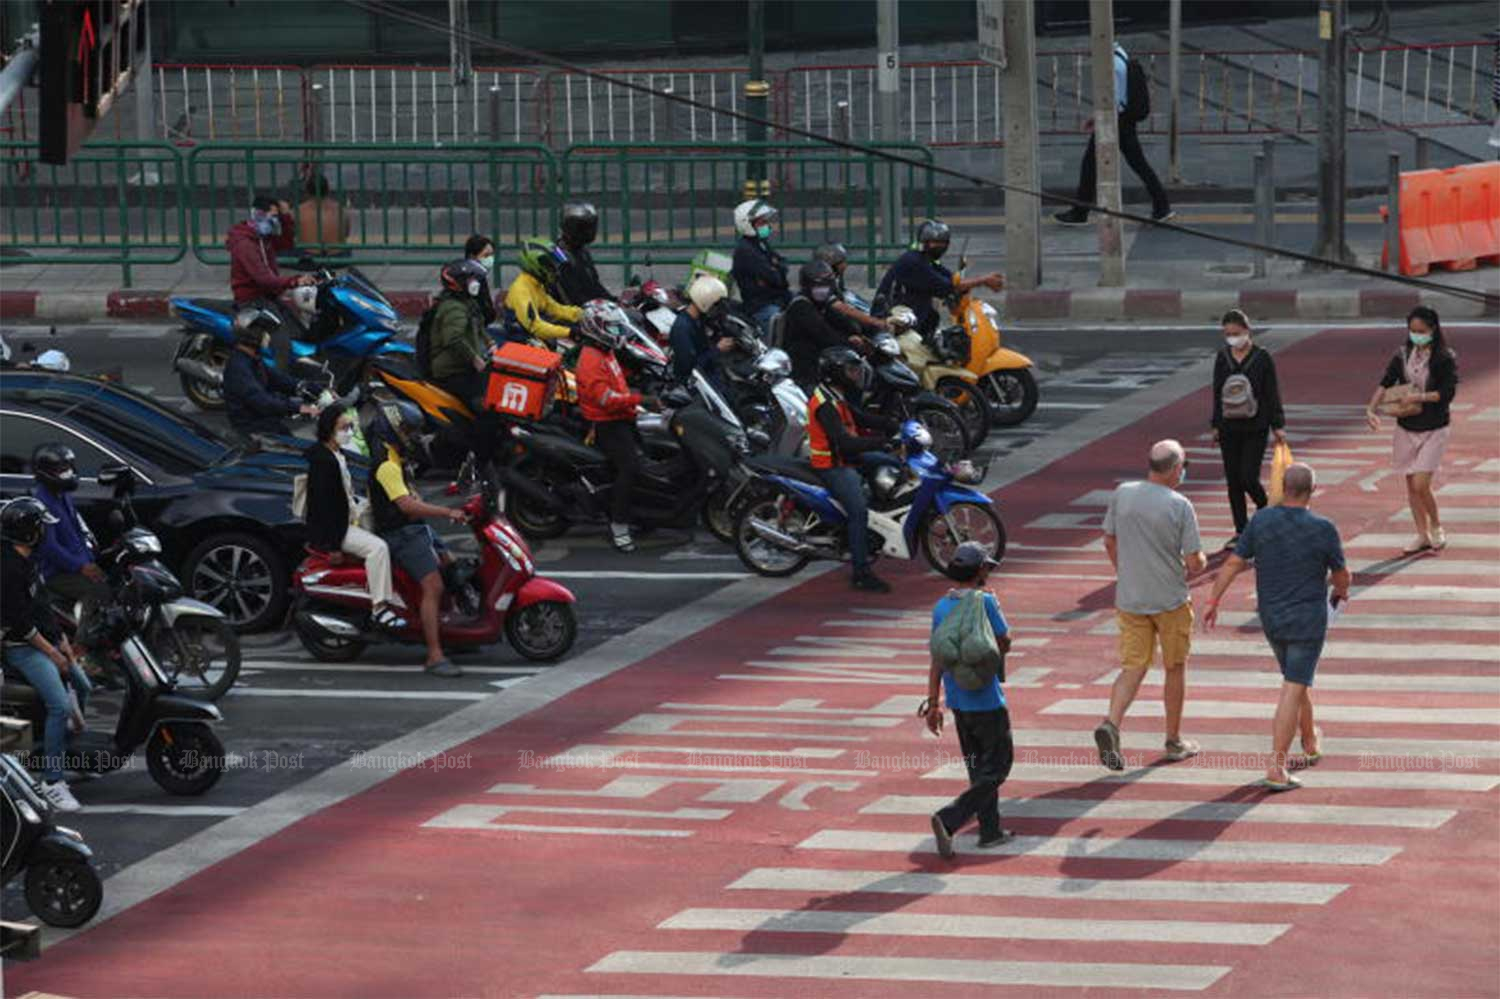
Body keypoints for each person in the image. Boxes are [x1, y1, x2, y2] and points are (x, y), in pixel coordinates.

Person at [1203, 463, 1350, 791]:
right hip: (1307, 620)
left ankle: (1310, 739)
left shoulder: (1262, 520)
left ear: (1282, 488)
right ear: (1313, 490)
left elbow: (1233, 562)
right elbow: (1341, 575)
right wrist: (1340, 592)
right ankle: (1276, 766)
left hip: (1271, 618)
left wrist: (1213, 600)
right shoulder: (1323, 528)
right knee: (1292, 687)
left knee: (1296, 680)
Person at [1094, 439, 1206, 771]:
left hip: (1130, 598)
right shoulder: (1180, 504)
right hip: (1169, 598)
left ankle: (1111, 723)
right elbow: (1194, 560)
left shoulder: (1123, 493)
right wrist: (1200, 560)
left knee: (1133, 667)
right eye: (1183, 467)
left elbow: (1109, 539)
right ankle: (1173, 739)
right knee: (1175, 667)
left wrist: (1123, 571)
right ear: (1175, 469)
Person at [922, 541, 1016, 857]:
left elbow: (936, 658)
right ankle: (951, 817)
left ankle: (990, 831)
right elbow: (1004, 640)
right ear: (978, 571)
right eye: (986, 566)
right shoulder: (985, 602)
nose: (988, 571)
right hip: (987, 701)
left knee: (978, 769)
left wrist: (933, 703)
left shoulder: (940, 607)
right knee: (999, 765)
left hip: (958, 702)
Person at [1, 497, 92, 813]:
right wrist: (53, 653)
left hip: (45, 640)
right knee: (59, 705)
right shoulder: (8, 568)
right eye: (40, 526)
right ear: (28, 532)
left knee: (84, 686)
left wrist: (64, 642)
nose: (44, 533)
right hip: (21, 648)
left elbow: (42, 608)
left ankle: (63, 753)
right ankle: (52, 780)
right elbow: (21, 624)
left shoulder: (28, 561)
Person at [367, 400, 468, 678]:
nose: (412, 435)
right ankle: (435, 656)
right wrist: (447, 511)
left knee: (451, 564)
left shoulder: (395, 455)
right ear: (393, 427)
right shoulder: (386, 463)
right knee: (433, 587)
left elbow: (411, 495)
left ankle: (453, 633)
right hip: (400, 533)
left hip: (414, 527)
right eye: (408, 429)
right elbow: (407, 506)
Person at [1365, 306, 1459, 555]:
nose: (1417, 335)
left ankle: (1437, 525)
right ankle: (1422, 534)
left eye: (1422, 331)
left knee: (1421, 482)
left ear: (1433, 330)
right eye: (1413, 331)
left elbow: (1447, 394)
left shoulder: (1444, 358)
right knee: (1410, 484)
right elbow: (1385, 382)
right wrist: (1371, 409)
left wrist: (1419, 397)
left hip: (1435, 427)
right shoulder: (1403, 354)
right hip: (1406, 426)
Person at [303, 407, 406, 633]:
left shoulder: (336, 454)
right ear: (329, 430)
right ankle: (379, 607)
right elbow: (324, 507)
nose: (348, 432)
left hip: (348, 517)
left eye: (350, 427)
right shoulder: (324, 461)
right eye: (343, 428)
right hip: (337, 528)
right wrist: (333, 546)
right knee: (378, 548)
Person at [808, 346, 900, 593]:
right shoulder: (825, 404)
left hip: (847, 457)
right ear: (835, 373)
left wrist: (891, 424)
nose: (855, 375)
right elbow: (846, 443)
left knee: (892, 464)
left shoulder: (835, 394)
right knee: (858, 512)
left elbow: (858, 418)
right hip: (834, 465)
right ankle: (861, 572)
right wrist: (883, 442)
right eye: (850, 371)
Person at [1054, 42, 1174, 225]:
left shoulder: (1113, 65)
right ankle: (1162, 206)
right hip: (1123, 120)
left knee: (1091, 166)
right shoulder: (1121, 55)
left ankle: (1080, 213)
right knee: (1136, 164)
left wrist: (1100, 118)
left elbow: (1113, 99)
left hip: (1116, 121)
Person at [576, 302, 660, 553]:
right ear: (595, 328)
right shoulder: (590, 360)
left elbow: (619, 378)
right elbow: (606, 400)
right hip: (607, 424)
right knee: (629, 468)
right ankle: (619, 525)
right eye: (611, 327)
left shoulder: (605, 351)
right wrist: (641, 399)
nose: (616, 332)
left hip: (623, 417)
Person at [1211, 309, 1287, 548]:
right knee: (1233, 480)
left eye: (1236, 333)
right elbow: (1216, 392)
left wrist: (1278, 425)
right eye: (1228, 334)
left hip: (1256, 425)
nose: (1233, 338)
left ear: (1247, 330)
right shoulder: (1223, 357)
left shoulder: (1262, 357)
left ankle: (1269, 514)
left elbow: (1271, 392)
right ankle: (1241, 530)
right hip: (1228, 425)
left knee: (1248, 477)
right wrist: (1215, 424)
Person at [29, 445, 110, 644]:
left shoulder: (63, 496)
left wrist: (91, 561)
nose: (67, 473)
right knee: (98, 591)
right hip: (55, 573)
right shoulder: (41, 502)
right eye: (60, 470)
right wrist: (81, 566)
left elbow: (76, 533)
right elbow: (50, 548)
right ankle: (83, 647)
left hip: (76, 564)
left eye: (68, 468)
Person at [226, 193, 316, 367]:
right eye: (273, 217)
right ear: (260, 215)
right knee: (282, 342)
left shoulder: (263, 238)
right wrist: (295, 281)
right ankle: (279, 383)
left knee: (300, 331)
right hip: (253, 301)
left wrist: (285, 216)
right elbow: (264, 279)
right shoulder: (246, 244)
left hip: (268, 298)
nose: (276, 221)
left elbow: (287, 244)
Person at [874, 220, 1003, 336]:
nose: (939, 247)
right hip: (892, 321)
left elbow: (951, 279)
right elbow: (947, 287)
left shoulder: (927, 261)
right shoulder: (913, 262)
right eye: (934, 242)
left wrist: (967, 285)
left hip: (910, 317)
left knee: (932, 317)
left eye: (943, 243)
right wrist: (984, 280)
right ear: (924, 242)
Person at [222, 308, 315, 440]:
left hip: (266, 423)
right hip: (252, 430)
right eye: (264, 332)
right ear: (253, 334)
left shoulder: (253, 359)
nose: (268, 336)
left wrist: (313, 389)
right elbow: (262, 401)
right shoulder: (239, 367)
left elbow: (280, 380)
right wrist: (299, 407)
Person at [784, 259, 866, 390]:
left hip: (822, 358)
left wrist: (858, 333)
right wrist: (848, 343)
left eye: (826, 286)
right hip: (806, 368)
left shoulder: (824, 304)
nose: (822, 290)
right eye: (817, 287)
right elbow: (823, 334)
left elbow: (843, 322)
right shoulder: (801, 306)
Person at [427, 258, 494, 407]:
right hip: (452, 371)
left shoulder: (468, 302)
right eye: (471, 280)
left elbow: (479, 325)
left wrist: (491, 343)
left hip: (464, 365)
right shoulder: (454, 308)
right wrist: (475, 359)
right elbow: (453, 339)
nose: (475, 283)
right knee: (484, 403)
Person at [505, 238, 582, 345]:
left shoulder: (536, 284)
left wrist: (583, 314)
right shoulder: (521, 290)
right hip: (524, 340)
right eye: (551, 267)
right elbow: (536, 326)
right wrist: (569, 332)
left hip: (535, 334)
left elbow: (554, 308)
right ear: (537, 266)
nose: (555, 271)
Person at [731, 199, 791, 334]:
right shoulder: (746, 250)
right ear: (747, 225)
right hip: (761, 306)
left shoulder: (760, 243)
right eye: (762, 223)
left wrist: (776, 267)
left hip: (776, 298)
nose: (767, 226)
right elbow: (775, 277)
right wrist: (775, 268)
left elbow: (783, 263)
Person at [668, 275, 733, 388]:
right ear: (705, 301)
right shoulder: (682, 328)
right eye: (715, 305)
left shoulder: (698, 319)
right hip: (694, 385)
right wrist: (717, 349)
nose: (716, 309)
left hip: (707, 376)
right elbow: (689, 367)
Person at [813, 241, 888, 337]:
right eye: (842, 262)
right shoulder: (823, 285)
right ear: (833, 264)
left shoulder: (836, 283)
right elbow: (844, 309)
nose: (846, 265)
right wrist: (874, 322)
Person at [552, 202, 614, 306]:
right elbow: (573, 295)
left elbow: (593, 285)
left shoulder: (581, 251)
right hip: (569, 314)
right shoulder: (559, 255)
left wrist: (613, 301)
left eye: (589, 227)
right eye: (581, 228)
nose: (587, 232)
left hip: (590, 307)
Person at [295, 173, 350, 257]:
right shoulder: (340, 209)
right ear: (328, 190)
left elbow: (292, 234)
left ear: (307, 191)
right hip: (339, 256)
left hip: (308, 256)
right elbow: (346, 233)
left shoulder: (298, 211)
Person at [464, 233, 500, 326]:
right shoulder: (469, 280)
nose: (490, 259)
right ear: (472, 256)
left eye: (492, 255)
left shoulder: (480, 276)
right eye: (486, 255)